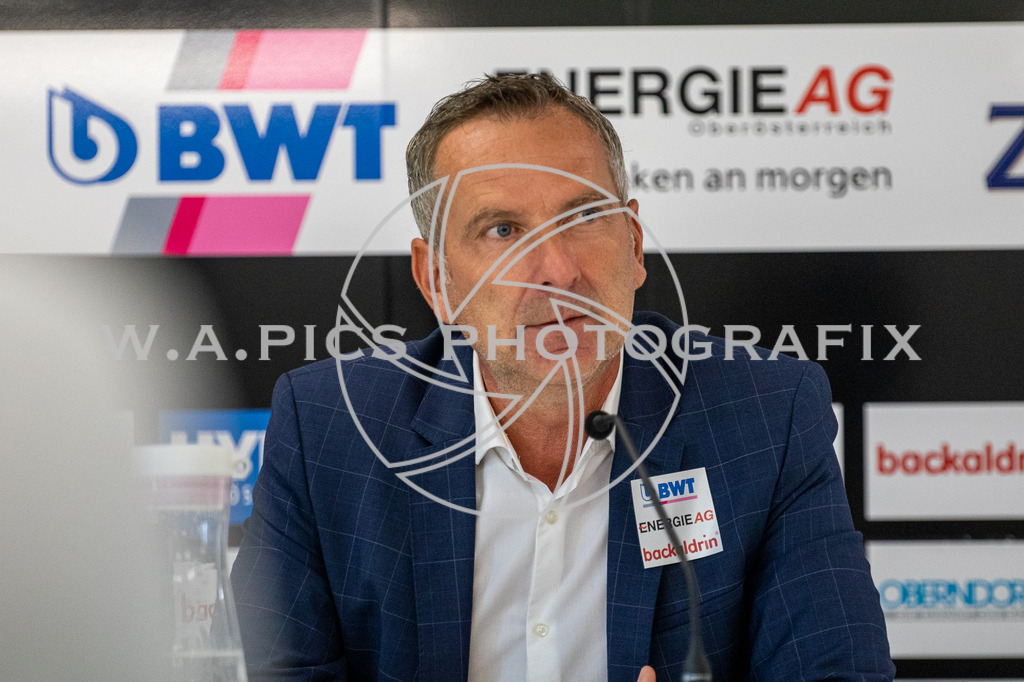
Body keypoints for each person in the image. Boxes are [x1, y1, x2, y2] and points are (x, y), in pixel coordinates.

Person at [231, 73, 894, 681]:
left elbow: (838, 672)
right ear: (437, 279)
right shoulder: (328, 431)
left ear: (634, 246)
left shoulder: (767, 416)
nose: (557, 272)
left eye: (583, 218)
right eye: (501, 229)